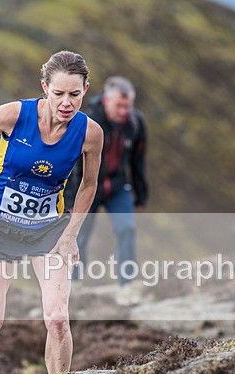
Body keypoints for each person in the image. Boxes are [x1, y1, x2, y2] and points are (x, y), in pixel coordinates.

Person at [0, 51, 103, 374]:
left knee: (59, 319)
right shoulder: (15, 115)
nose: (66, 103)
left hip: (49, 231)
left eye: (75, 95)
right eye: (59, 93)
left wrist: (71, 234)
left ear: (85, 90)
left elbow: (89, 185)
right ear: (45, 88)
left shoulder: (90, 134)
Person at [63, 76, 147, 304]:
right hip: (88, 187)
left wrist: (141, 195)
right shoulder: (87, 121)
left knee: (127, 230)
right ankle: (74, 285)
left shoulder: (136, 124)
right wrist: (69, 199)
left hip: (119, 186)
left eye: (128, 106)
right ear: (107, 100)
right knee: (78, 235)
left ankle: (127, 287)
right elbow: (71, 164)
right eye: (119, 106)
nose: (124, 111)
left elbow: (138, 162)